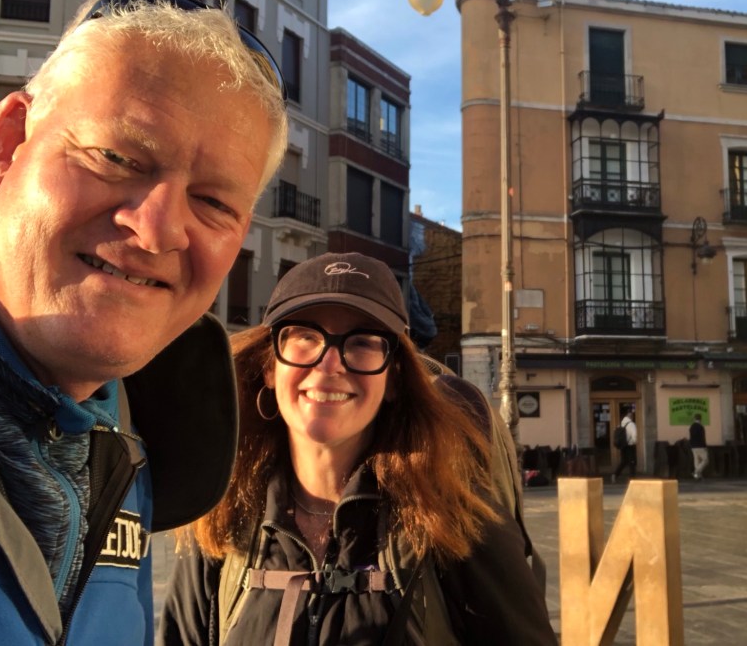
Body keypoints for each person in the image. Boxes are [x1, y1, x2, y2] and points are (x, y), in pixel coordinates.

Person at [0, 0, 288, 645]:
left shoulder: (135, 441)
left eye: (214, 203)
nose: (158, 229)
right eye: (116, 159)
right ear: (5, 147)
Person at [157, 252, 557, 645]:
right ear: (270, 366)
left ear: (394, 378)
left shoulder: (456, 520)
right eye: (305, 336)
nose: (329, 364)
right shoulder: (223, 517)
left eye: (362, 342)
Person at [611, 407, 638, 481]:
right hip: (630, 445)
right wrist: (635, 442)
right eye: (631, 414)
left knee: (623, 461)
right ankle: (632, 478)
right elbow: (634, 435)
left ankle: (615, 474)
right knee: (632, 462)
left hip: (623, 445)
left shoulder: (621, 424)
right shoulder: (632, 424)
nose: (632, 415)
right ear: (629, 415)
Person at [689, 413, 708, 480]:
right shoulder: (701, 427)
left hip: (693, 446)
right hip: (700, 445)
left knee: (697, 461)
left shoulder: (691, 427)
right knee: (705, 460)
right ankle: (696, 472)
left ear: (694, 419)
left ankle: (697, 476)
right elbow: (702, 437)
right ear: (700, 419)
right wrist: (705, 446)